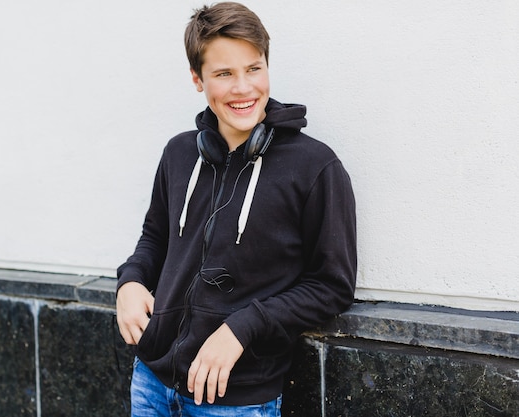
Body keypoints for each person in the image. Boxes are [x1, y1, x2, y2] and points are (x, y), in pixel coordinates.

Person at [116, 2, 357, 416]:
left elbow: (332, 285)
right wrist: (131, 282)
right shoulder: (178, 153)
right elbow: (154, 240)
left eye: (253, 68)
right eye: (224, 74)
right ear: (197, 78)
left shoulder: (316, 167)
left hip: (236, 398)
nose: (244, 88)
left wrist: (244, 327)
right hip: (152, 382)